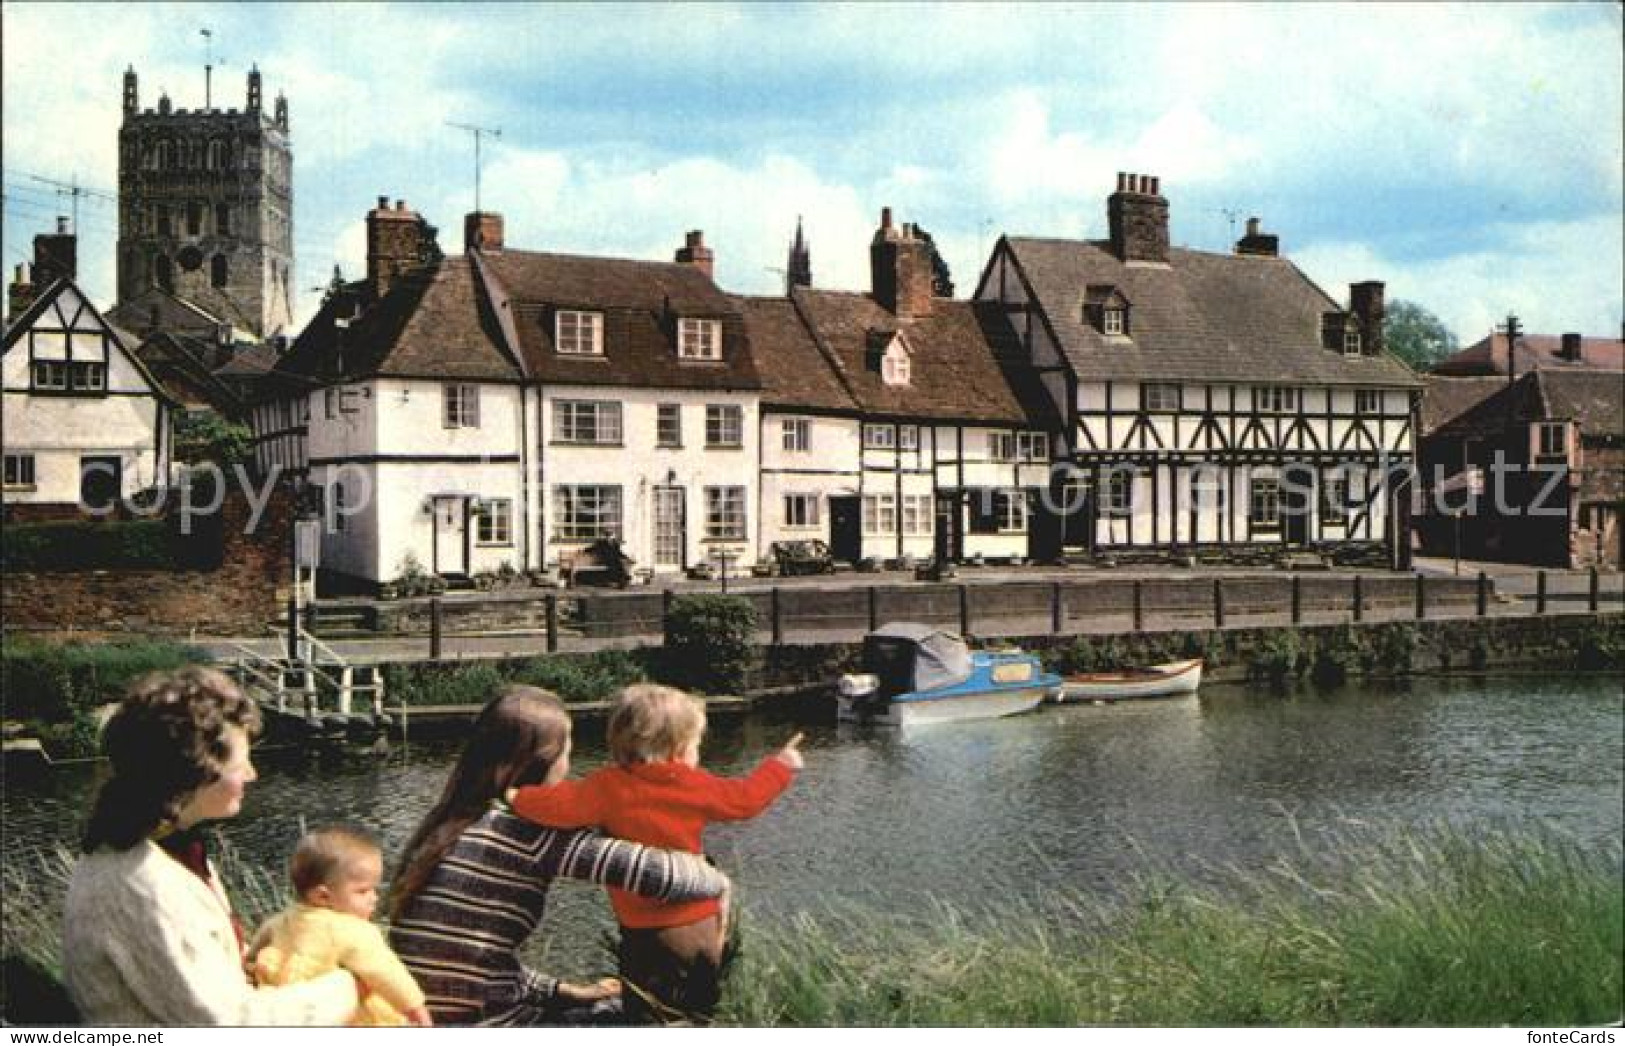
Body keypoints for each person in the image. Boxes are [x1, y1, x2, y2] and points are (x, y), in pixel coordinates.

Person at [387, 685, 732, 1026]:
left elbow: (474, 957)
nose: (571, 766)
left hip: (432, 1017)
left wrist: (562, 991)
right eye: (568, 752)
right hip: (492, 1024)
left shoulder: (448, 820)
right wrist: (716, 879)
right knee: (655, 1019)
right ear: (545, 762)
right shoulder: (532, 831)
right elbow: (660, 875)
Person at [62, 667, 360, 1025]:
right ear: (199, 769)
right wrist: (347, 986)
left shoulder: (158, 849)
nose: (252, 774)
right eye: (242, 761)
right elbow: (226, 1022)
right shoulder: (145, 885)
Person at [508, 683, 804, 1025]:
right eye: (696, 745)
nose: (697, 755)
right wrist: (781, 766)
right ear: (677, 748)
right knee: (698, 1012)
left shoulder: (606, 787)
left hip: (646, 932)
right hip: (704, 924)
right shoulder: (694, 784)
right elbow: (746, 799)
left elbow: (556, 807)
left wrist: (514, 795)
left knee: (648, 1014)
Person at [249, 826, 431, 1027]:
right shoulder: (352, 930)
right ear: (323, 896)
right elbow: (386, 973)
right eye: (362, 891)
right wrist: (416, 1009)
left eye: (374, 889)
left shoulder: (281, 920)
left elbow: (251, 956)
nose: (374, 898)